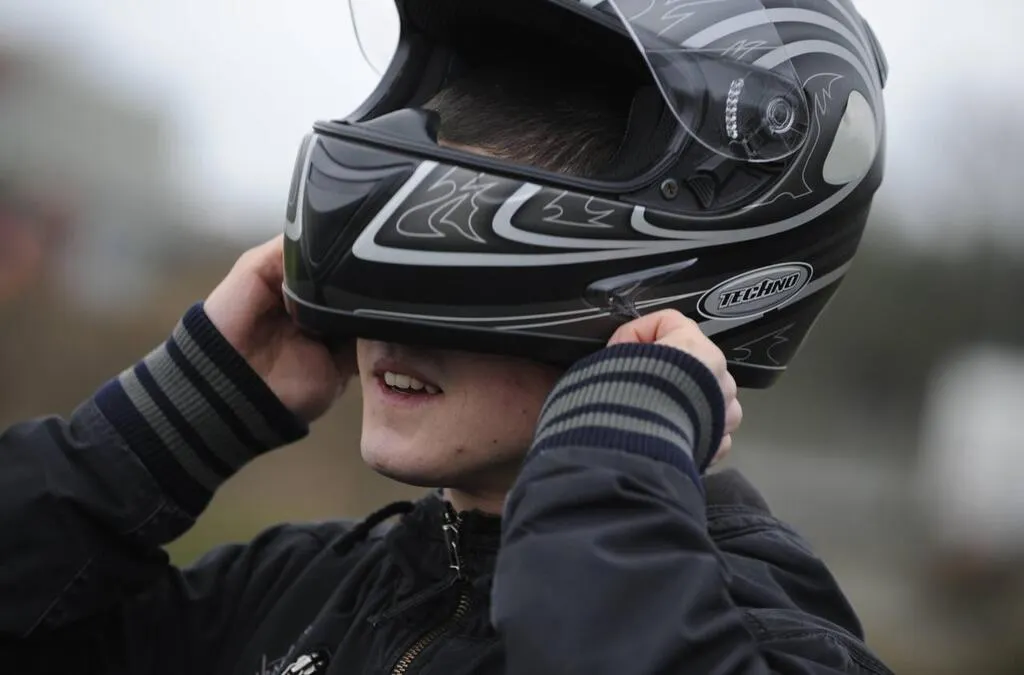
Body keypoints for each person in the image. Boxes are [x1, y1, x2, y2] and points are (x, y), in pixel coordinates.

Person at [0, 1, 894, 673]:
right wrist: (165, 425)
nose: (382, 312)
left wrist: (605, 480)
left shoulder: (775, 639)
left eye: (454, 259)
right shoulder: (296, 591)